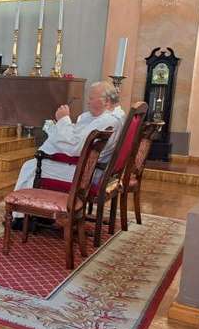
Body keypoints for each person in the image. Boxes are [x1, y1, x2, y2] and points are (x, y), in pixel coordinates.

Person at [11, 81, 122, 226]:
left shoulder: (107, 121)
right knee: (36, 164)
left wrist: (63, 120)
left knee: (31, 166)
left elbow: (74, 147)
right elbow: (80, 140)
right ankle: (41, 212)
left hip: (85, 174)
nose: (88, 102)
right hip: (89, 169)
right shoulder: (112, 117)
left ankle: (22, 217)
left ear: (106, 101)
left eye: (91, 98)